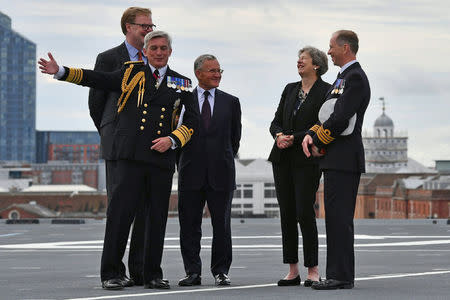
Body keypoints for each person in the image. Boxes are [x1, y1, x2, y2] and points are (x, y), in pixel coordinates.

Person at [38, 30, 198, 290]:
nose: (158, 52)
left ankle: (151, 274)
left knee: (156, 219)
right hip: (129, 156)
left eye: (163, 48)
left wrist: (173, 140)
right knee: (119, 216)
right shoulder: (130, 73)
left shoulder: (182, 82)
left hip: (161, 160)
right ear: (144, 51)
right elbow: (96, 78)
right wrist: (61, 71)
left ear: (170, 51)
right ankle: (111, 272)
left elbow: (192, 122)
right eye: (153, 48)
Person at [88, 6, 154, 288]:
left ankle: (140, 271)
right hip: (119, 146)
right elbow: (96, 103)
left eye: (151, 26)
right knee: (119, 210)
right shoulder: (108, 59)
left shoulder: (154, 60)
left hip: (149, 148)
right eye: (144, 26)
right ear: (128, 27)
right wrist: (110, 131)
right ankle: (112, 272)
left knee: (146, 211)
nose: (149, 30)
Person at [302, 30, 370, 290]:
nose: (328, 52)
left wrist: (318, 141)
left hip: (344, 159)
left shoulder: (355, 78)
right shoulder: (342, 78)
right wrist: (311, 134)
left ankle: (340, 276)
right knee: (334, 219)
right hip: (335, 157)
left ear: (345, 48)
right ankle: (337, 274)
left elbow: (341, 117)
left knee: (340, 219)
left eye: (331, 47)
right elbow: (326, 114)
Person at [177, 54, 242, 287]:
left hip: (221, 173)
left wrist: (219, 158)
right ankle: (192, 272)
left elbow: (235, 140)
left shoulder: (231, 102)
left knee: (222, 226)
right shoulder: (183, 100)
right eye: (212, 71)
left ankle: (221, 271)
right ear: (198, 73)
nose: (217, 75)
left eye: (219, 71)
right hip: (190, 172)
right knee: (189, 225)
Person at [268, 46, 330, 287]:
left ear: (316, 64)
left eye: (303, 59)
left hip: (306, 157)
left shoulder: (326, 91)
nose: (298, 62)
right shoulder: (289, 89)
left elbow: (322, 123)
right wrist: (278, 135)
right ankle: (292, 269)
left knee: (305, 211)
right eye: (298, 59)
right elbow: (275, 120)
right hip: (282, 156)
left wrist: (294, 137)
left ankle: (312, 269)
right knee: (287, 214)